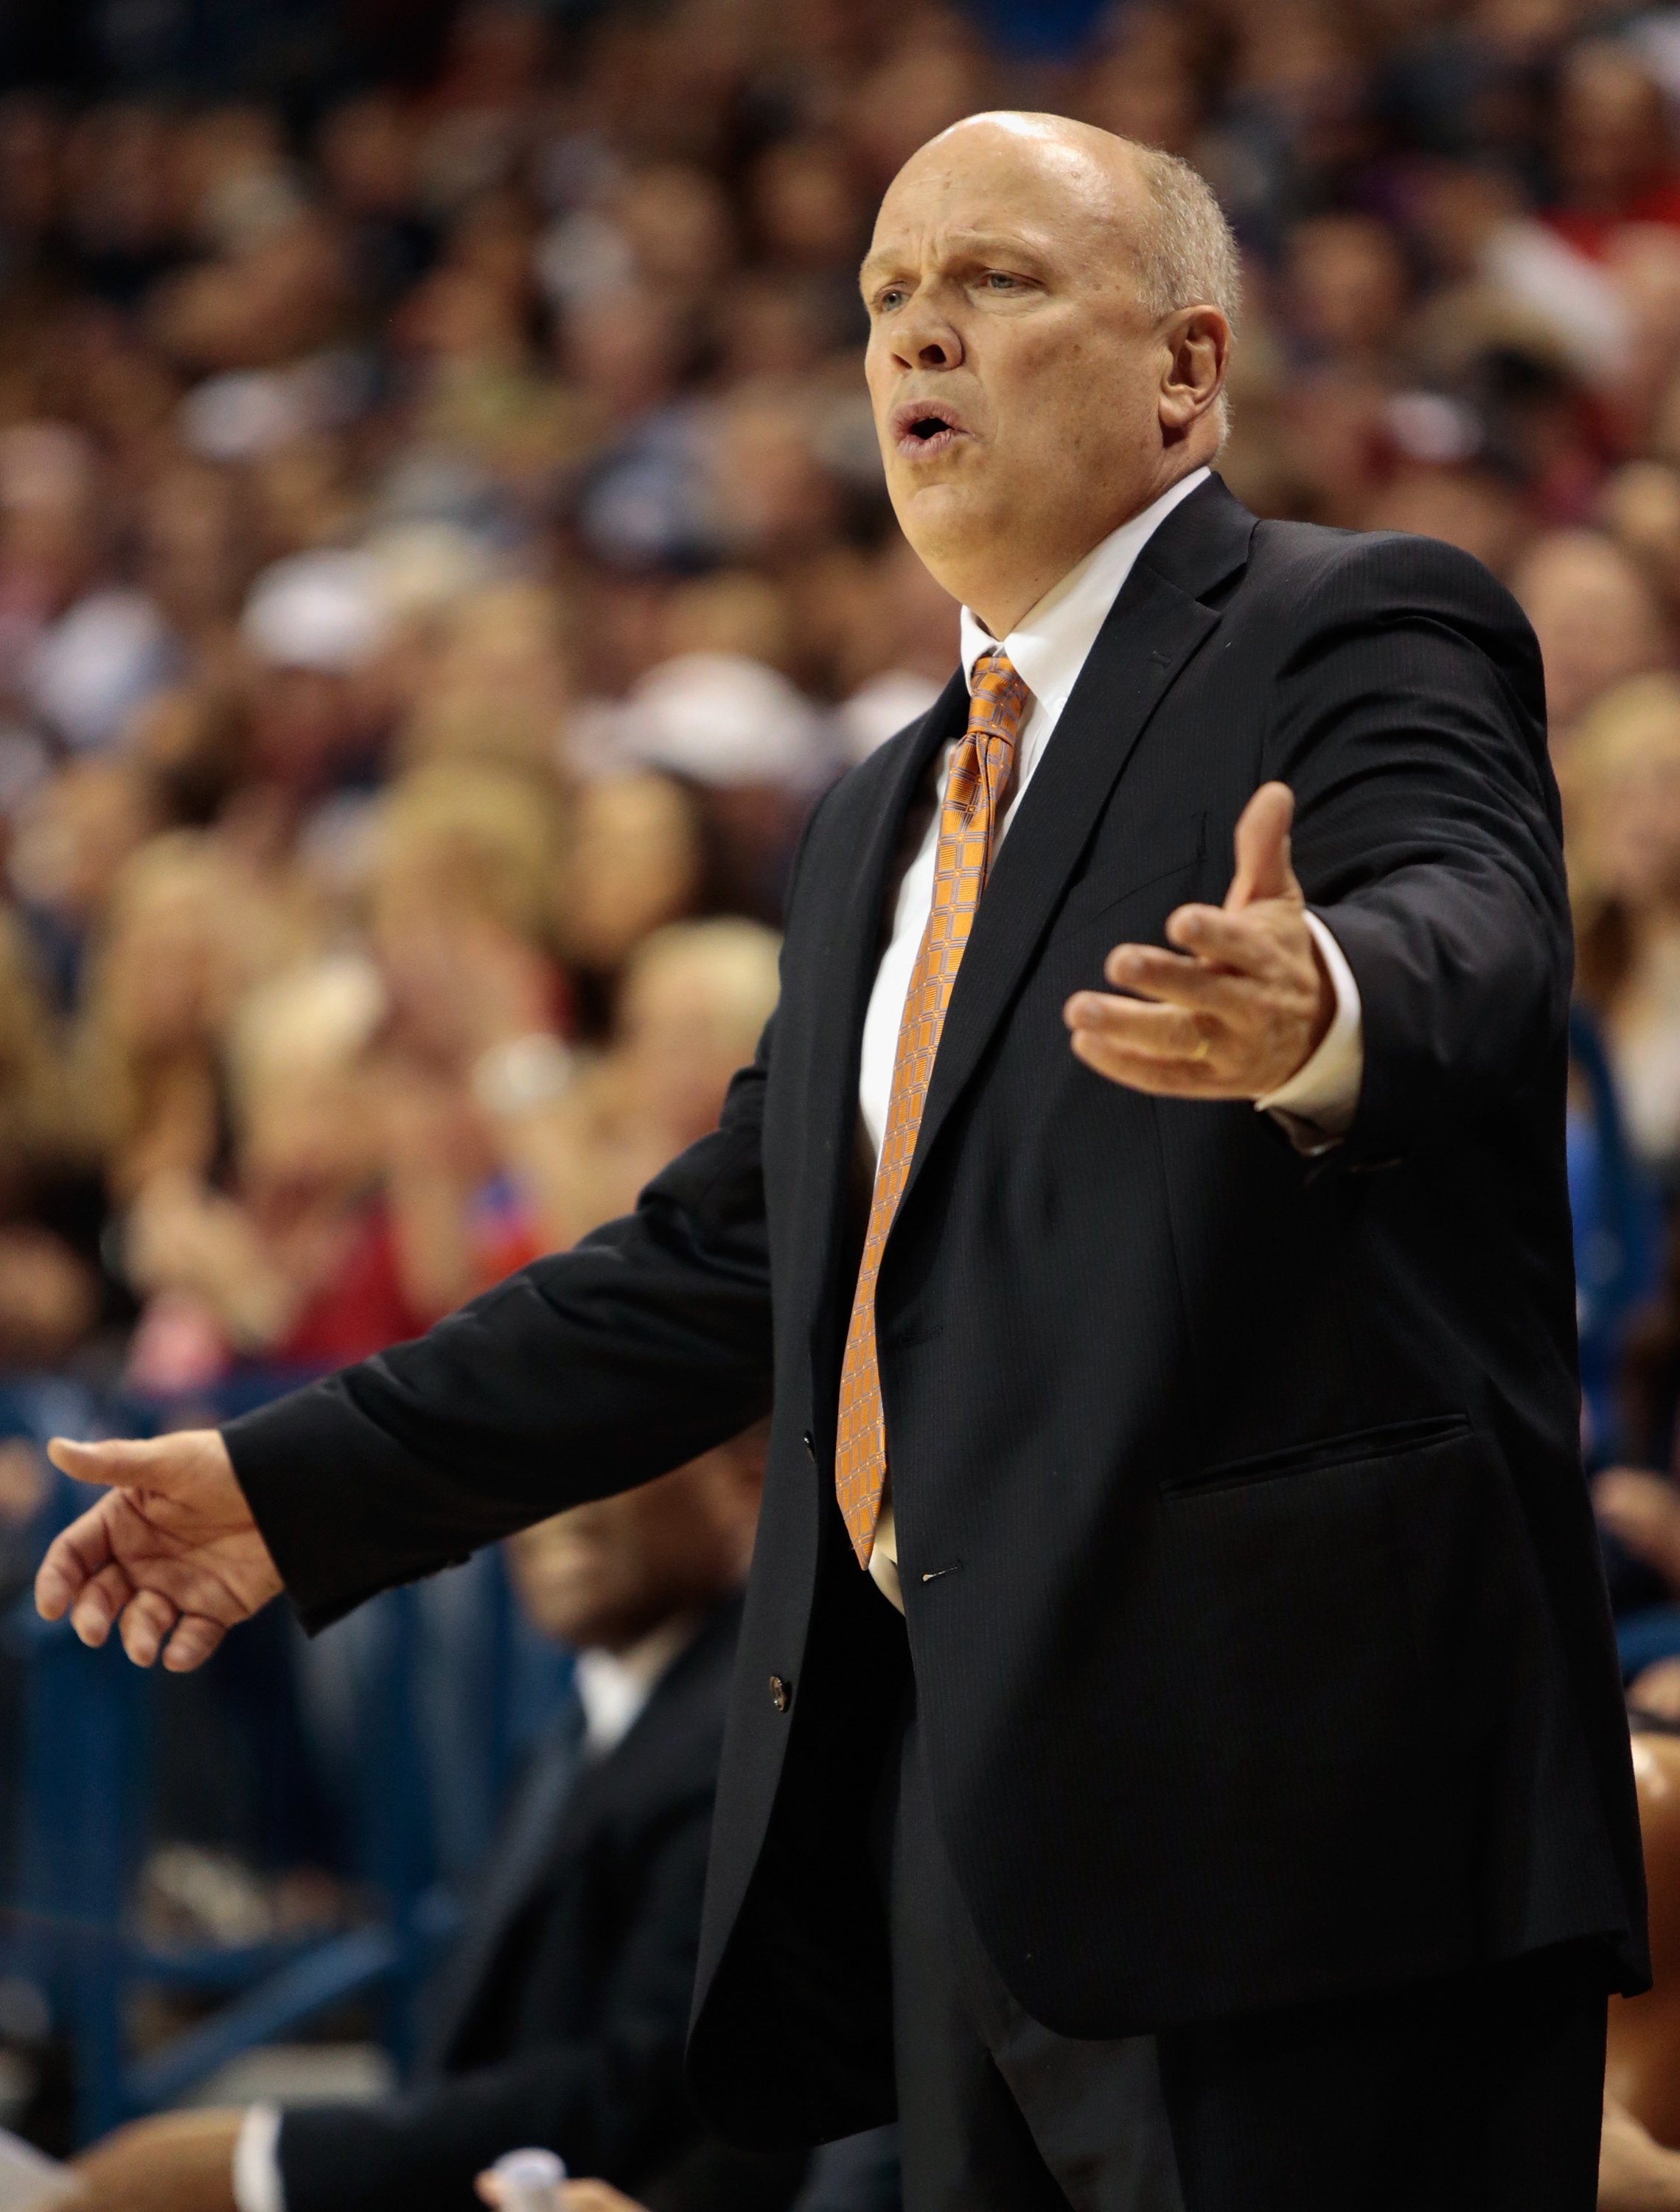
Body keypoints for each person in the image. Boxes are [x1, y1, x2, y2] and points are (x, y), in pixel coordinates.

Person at [35, 113, 1644, 2212]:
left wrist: (1321, 992)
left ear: (1182, 368)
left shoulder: (1346, 626)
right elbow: (717, 1265)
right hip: (958, 1850)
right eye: (886, 294)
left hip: (1306, 1846)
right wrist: (292, 1478)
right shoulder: (879, 812)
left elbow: (1476, 930)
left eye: (992, 282)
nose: (917, 336)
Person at [63, 1427, 792, 2212]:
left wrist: (258, 2165)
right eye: (539, 1466)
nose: (559, 1510)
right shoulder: (593, 1714)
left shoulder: (747, 1732)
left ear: (743, 1484)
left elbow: (646, 2092)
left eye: (609, 1458)